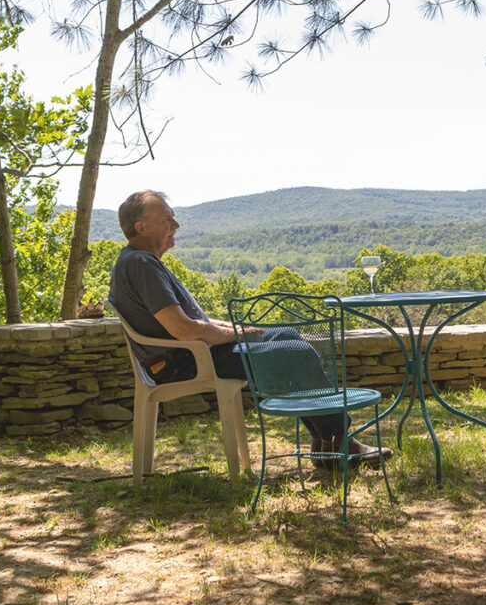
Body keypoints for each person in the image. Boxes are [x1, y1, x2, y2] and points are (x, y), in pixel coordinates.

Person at [108, 190, 392, 468]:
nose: (176, 226)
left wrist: (239, 328)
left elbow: (197, 323)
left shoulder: (139, 260)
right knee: (297, 352)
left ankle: (327, 442)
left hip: (194, 353)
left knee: (288, 336)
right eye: (167, 220)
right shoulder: (141, 263)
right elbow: (182, 328)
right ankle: (340, 441)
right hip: (187, 361)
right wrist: (236, 334)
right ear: (141, 227)